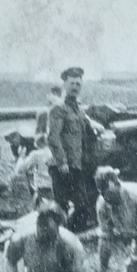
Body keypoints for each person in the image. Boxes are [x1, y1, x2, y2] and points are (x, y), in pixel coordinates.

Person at [4, 202, 92, 272]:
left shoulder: (69, 244)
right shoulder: (22, 239)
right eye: (41, 225)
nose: (43, 231)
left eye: (47, 227)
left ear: (58, 226)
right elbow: (10, 258)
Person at [47, 67, 97, 231]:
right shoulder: (58, 108)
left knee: (82, 205)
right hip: (62, 166)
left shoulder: (79, 110)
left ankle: (71, 237)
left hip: (77, 166)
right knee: (60, 206)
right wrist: (62, 163)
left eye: (78, 83)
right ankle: (57, 237)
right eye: (72, 83)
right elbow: (53, 137)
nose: (75, 86)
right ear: (64, 85)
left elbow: (86, 135)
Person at [13, 133, 55, 204]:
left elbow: (20, 170)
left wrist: (21, 156)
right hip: (57, 185)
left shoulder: (36, 154)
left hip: (44, 187)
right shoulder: (55, 152)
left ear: (37, 143)